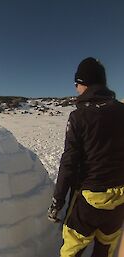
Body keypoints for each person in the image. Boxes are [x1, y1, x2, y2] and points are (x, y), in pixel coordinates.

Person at [48, 57, 124, 257]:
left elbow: (69, 163)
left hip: (89, 200)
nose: (76, 89)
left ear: (84, 83)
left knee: (73, 247)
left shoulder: (79, 117)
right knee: (105, 248)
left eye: (77, 84)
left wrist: (58, 200)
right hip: (119, 200)